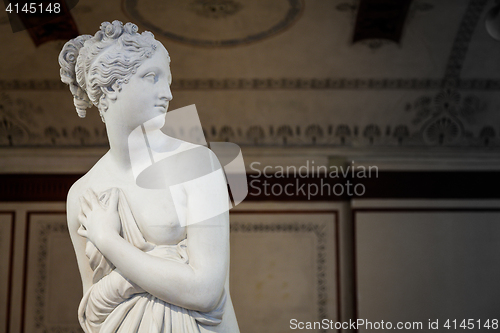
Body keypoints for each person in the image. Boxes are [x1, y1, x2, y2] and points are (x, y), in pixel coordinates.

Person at [60, 20, 239, 333]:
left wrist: (108, 241)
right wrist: (167, 268)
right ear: (113, 85)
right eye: (152, 78)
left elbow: (206, 292)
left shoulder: (197, 164)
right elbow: (91, 313)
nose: (168, 94)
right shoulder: (81, 193)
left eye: (167, 80)